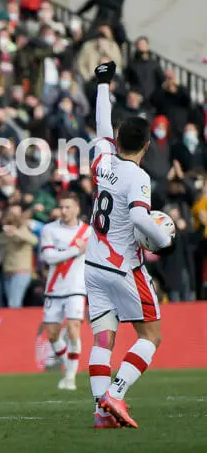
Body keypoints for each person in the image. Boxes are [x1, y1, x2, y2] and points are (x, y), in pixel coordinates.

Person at [86, 62, 174, 429]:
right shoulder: (138, 176)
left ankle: (100, 414)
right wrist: (163, 241)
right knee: (151, 336)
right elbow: (139, 217)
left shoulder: (102, 161)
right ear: (148, 145)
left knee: (103, 339)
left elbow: (102, 126)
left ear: (118, 139)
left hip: (93, 263)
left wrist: (103, 83)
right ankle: (115, 394)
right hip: (123, 266)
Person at [39, 192, 90, 392]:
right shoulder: (49, 229)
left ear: (77, 209)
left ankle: (70, 378)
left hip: (76, 288)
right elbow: (49, 257)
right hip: (54, 288)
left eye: (68, 207)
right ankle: (69, 368)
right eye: (61, 207)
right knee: (52, 335)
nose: (64, 210)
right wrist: (77, 250)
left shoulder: (88, 232)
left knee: (73, 328)